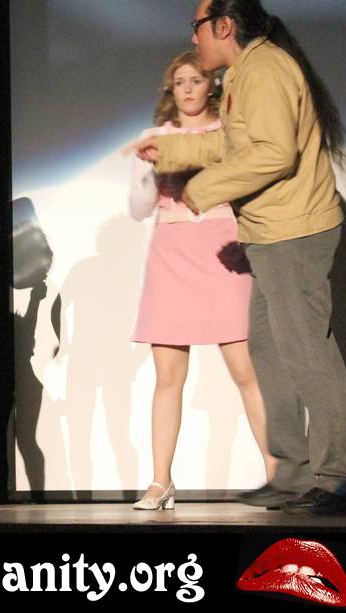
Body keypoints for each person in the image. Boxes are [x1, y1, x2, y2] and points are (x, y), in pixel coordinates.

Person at [136, 0, 346, 514]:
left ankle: (344, 479)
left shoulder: (265, 69)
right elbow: (233, 143)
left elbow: (273, 153)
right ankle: (292, 473)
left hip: (293, 231)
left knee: (307, 351)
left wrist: (203, 190)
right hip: (268, 234)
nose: (193, 37)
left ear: (223, 26)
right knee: (269, 352)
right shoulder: (246, 72)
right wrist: (172, 151)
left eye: (197, 26)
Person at [129, 51, 276, 511]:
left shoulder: (229, 132)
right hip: (171, 253)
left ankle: (279, 472)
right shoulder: (156, 138)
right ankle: (160, 481)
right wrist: (150, 171)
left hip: (222, 248)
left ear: (211, 85)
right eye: (180, 82)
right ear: (170, 90)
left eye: (196, 80)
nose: (189, 88)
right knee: (168, 377)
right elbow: (137, 209)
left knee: (246, 370)